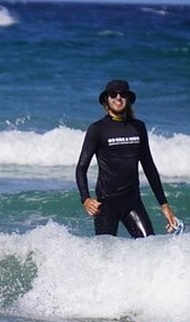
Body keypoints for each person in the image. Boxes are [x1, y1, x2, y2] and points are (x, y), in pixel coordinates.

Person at [75, 79, 178, 237]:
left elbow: (149, 167)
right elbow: (81, 168)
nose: (118, 97)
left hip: (133, 202)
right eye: (113, 94)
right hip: (106, 204)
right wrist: (86, 199)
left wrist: (164, 205)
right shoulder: (97, 129)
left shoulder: (138, 127)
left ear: (128, 99)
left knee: (148, 246)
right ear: (106, 100)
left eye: (123, 94)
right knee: (106, 254)